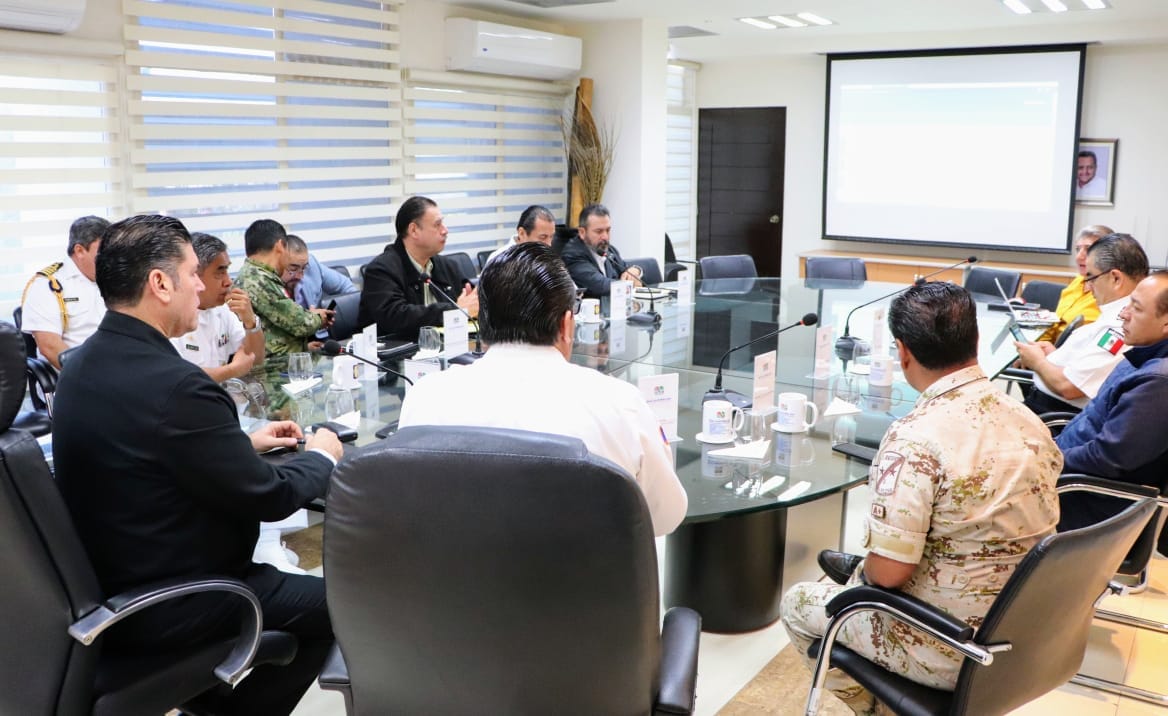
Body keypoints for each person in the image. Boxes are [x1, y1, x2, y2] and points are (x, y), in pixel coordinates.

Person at [52, 214, 343, 715]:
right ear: (160, 283)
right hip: (188, 594)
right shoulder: (179, 387)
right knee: (344, 609)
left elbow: (138, 452)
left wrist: (239, 444)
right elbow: (270, 496)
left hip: (116, 583)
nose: (201, 287)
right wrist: (321, 455)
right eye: (192, 273)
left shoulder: (81, 366)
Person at [781, 282, 1061, 715]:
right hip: (1028, 629)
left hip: (950, 646)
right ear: (976, 340)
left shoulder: (915, 439)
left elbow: (890, 576)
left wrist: (866, 576)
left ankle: (875, 710)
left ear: (903, 351)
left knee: (799, 603)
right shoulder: (1028, 419)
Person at [398, 242, 687, 536]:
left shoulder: (425, 398)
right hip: (579, 565)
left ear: (482, 323)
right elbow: (666, 515)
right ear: (567, 325)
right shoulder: (621, 404)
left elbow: (409, 507)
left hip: (455, 564)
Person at [1056, 271, 1168, 532]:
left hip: (1087, 502)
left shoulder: (1158, 383)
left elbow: (1106, 459)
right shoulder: (1145, 357)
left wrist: (1045, 459)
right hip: (1069, 474)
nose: (1123, 314)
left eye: (1136, 308)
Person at [1015, 233, 1148, 414]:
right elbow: (1087, 370)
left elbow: (1069, 387)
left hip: (1052, 414)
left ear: (1116, 278)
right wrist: (1053, 356)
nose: (1088, 286)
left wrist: (1037, 361)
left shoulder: (1120, 326)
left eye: (1091, 277)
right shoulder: (1117, 314)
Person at [358, 195, 478, 340]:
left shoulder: (447, 266)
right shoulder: (381, 270)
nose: (445, 230)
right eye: (437, 225)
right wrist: (455, 311)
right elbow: (396, 317)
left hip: (447, 346)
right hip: (397, 350)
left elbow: (473, 301)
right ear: (414, 230)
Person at [170, 232, 266, 383]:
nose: (228, 282)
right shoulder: (171, 316)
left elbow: (256, 358)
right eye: (220, 272)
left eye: (227, 271)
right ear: (194, 273)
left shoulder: (222, 309)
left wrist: (250, 322)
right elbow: (179, 379)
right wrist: (231, 370)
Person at [234, 219, 334, 358]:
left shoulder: (256, 275)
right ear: (280, 246)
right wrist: (318, 317)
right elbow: (300, 324)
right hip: (276, 367)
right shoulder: (259, 279)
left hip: (287, 360)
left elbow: (278, 326)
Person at [20, 215, 110, 369]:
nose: (110, 259)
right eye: (103, 252)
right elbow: (49, 346)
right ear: (80, 251)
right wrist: (92, 375)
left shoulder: (114, 278)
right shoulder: (47, 286)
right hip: (77, 373)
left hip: (117, 367)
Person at [1035, 224, 1113, 343]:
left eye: (1088, 249)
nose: (1079, 256)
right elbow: (1055, 323)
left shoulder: (1109, 292)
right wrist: (1037, 345)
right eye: (1078, 249)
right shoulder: (1079, 281)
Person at [561, 203, 644, 298]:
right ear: (582, 232)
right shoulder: (572, 255)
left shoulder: (609, 250)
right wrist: (631, 284)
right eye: (599, 231)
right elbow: (600, 286)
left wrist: (636, 270)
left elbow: (625, 269)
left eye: (608, 230)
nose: (605, 237)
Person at [281, 233, 356, 309]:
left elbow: (346, 286)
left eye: (304, 268)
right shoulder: (273, 285)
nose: (300, 276)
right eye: (293, 269)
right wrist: (311, 315)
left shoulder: (311, 265)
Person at [484, 204, 556, 267]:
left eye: (551, 236)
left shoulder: (547, 258)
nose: (549, 244)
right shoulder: (499, 260)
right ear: (522, 233)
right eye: (543, 237)